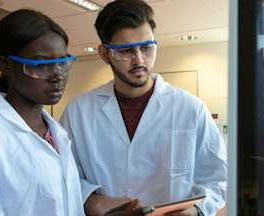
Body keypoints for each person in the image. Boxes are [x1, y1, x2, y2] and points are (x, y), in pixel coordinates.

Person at [60, 0, 228, 215]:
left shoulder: (190, 108)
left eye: (147, 48)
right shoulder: (79, 112)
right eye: (126, 51)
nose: (139, 60)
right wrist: (93, 202)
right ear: (104, 54)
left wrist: (195, 210)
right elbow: (63, 175)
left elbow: (217, 178)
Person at [0, 9, 85, 216]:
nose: (57, 75)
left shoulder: (56, 133)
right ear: (5, 65)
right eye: (42, 65)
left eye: (62, 62)